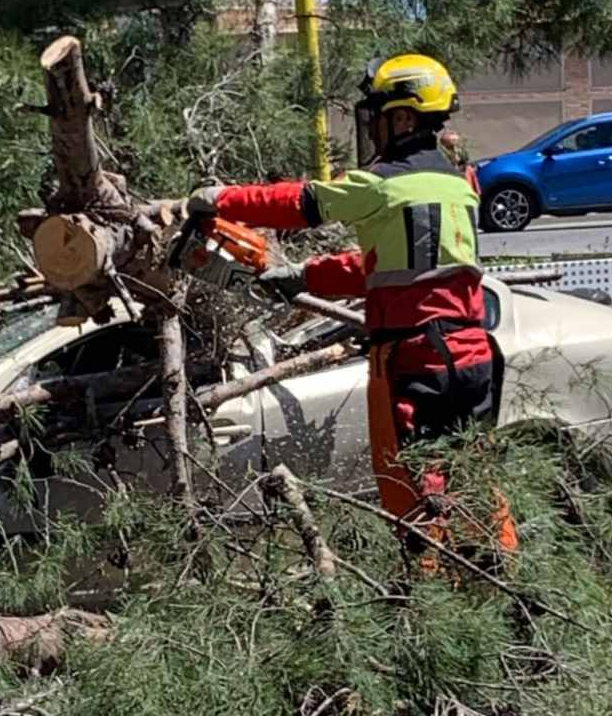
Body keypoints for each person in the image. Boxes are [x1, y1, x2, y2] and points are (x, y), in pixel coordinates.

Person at [186, 54, 518, 570]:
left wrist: (222, 200)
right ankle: (503, 590)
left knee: (412, 491)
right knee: (474, 478)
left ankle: (426, 605)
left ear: (404, 118)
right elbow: (389, 266)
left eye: (380, 117)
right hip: (473, 359)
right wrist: (305, 277)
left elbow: (300, 202)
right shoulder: (458, 186)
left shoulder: (380, 184)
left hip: (413, 363)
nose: (375, 129)